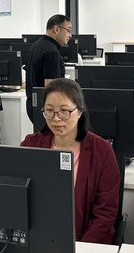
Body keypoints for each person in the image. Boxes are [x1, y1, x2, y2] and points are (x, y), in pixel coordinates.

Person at [21, 78, 119, 244]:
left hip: (85, 243)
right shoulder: (31, 145)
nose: (56, 119)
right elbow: (20, 197)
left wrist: (81, 249)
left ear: (79, 111)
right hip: (39, 240)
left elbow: (105, 212)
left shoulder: (102, 151)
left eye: (64, 111)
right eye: (49, 111)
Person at [25, 14, 71, 123]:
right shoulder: (52, 53)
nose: (70, 35)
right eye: (68, 30)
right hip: (47, 109)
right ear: (56, 29)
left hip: (32, 104)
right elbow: (51, 87)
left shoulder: (36, 45)